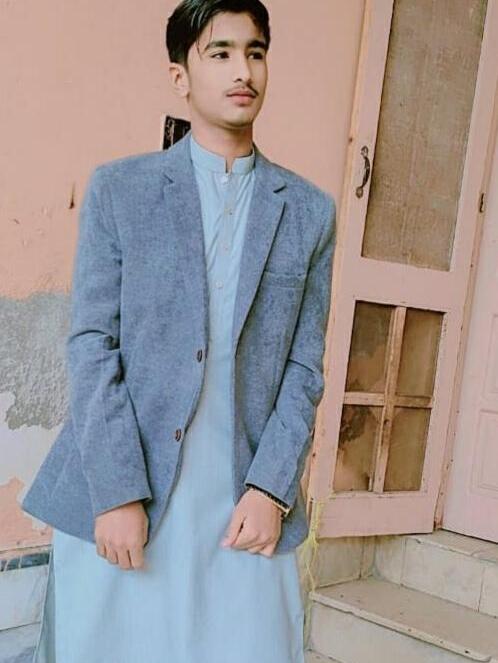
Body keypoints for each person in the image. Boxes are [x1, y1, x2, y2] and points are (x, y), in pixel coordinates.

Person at [22, 1, 336, 661]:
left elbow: (304, 367)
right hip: (129, 491)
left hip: (241, 501)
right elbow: (92, 345)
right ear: (180, 77)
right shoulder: (121, 191)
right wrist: (116, 491)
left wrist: (272, 488)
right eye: (219, 53)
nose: (242, 70)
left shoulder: (309, 212)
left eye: (254, 52)